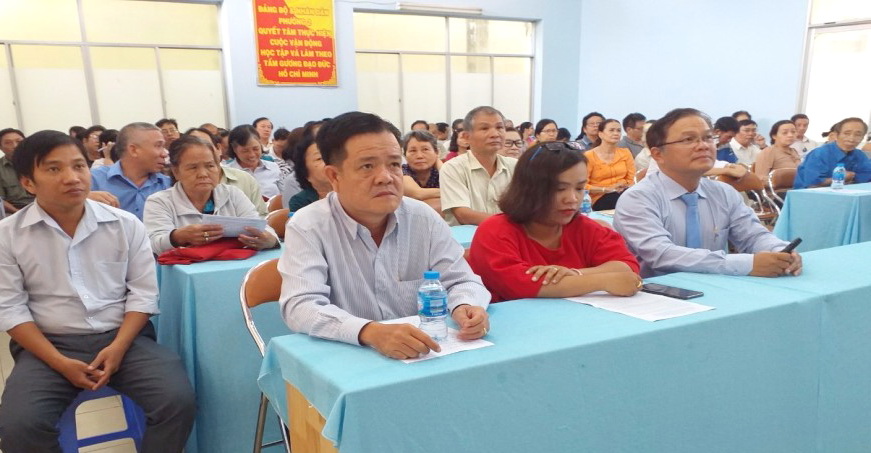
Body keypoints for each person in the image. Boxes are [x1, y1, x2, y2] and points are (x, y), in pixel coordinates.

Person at [0, 130, 196, 453]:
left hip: (124, 339)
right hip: (48, 345)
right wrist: (60, 362)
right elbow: (10, 309)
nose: (72, 177)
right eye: (54, 169)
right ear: (27, 183)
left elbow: (143, 294)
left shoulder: (125, 225)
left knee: (177, 401)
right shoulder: (8, 235)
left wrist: (118, 348)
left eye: (79, 166)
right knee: (20, 425)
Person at [278, 111, 490, 360]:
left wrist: (465, 305)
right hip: (350, 359)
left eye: (394, 164)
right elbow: (301, 305)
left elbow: (462, 280)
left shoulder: (423, 217)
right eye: (367, 166)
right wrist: (369, 332)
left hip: (425, 355)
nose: (386, 178)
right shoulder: (308, 225)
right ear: (334, 176)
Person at [614, 108, 801, 278]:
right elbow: (662, 255)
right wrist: (747, 264)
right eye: (688, 139)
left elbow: (753, 236)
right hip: (655, 293)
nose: (703, 145)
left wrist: (781, 251)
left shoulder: (724, 193)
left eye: (708, 138)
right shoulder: (638, 198)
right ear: (658, 154)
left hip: (717, 287)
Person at [468, 141, 641, 302]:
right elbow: (520, 285)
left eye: (580, 188)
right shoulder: (495, 230)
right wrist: (602, 281)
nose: (572, 198)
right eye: (559, 189)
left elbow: (627, 267)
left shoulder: (585, 228)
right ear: (529, 189)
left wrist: (575, 274)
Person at [143, 136, 277, 254]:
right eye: (193, 168)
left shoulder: (233, 194)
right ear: (176, 172)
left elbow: (262, 227)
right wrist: (178, 237)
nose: (203, 174)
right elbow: (154, 245)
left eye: (210, 166)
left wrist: (269, 240)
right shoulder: (160, 201)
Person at [440, 106, 517, 226]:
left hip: (510, 234)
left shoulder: (515, 166)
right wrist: (510, 224)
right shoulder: (453, 168)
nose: (495, 134)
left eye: (499, 127)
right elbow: (463, 215)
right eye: (484, 128)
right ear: (467, 137)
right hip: (469, 237)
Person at [91, 122, 172, 219]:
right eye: (158, 146)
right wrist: (84, 199)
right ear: (133, 150)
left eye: (164, 147)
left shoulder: (168, 185)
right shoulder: (94, 180)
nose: (164, 154)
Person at [793, 117, 871, 189]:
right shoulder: (819, 154)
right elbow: (812, 184)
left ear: (862, 138)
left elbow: (867, 177)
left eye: (858, 135)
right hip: (810, 195)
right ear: (836, 135)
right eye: (847, 133)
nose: (852, 138)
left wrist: (852, 177)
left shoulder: (860, 155)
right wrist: (842, 178)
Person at [584, 119, 635, 210]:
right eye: (611, 130)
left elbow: (631, 179)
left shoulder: (625, 153)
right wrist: (605, 189)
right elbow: (583, 185)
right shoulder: (589, 156)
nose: (616, 133)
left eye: (618, 130)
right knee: (620, 200)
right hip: (599, 196)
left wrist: (622, 184)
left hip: (622, 192)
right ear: (600, 134)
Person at [226, 125, 281, 198]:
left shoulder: (273, 167)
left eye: (256, 149)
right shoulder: (227, 173)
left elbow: (284, 197)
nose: (252, 155)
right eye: (245, 151)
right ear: (234, 149)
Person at [287, 132, 333, 212]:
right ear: (304, 171)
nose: (328, 161)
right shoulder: (300, 202)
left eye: (330, 156)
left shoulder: (353, 192)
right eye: (319, 158)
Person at [401, 130, 441, 212]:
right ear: (405, 155)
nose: (419, 156)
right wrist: (449, 192)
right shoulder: (401, 171)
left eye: (425, 149)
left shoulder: (438, 171)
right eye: (413, 151)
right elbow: (418, 194)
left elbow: (457, 186)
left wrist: (439, 164)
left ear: (436, 152)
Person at [0, 128, 33, 214]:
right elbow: (1, 200)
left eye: (19, 141)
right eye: (8, 143)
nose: (15, 146)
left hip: (43, 206)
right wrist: (18, 213)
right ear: (1, 147)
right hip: (14, 211)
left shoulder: (38, 162)